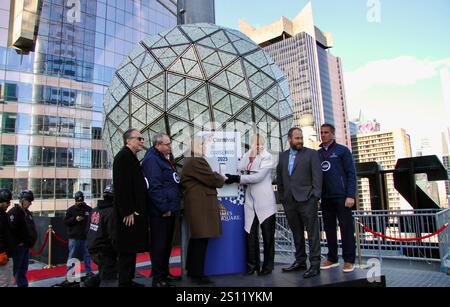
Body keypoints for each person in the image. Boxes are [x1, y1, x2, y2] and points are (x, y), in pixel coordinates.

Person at [225, 134, 277, 276]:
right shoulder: (250, 156)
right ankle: (252, 265)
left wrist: (237, 178)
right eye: (255, 144)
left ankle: (267, 266)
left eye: (260, 144)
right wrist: (250, 154)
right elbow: (240, 166)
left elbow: (258, 177)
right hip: (250, 201)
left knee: (267, 236)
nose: (258, 147)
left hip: (265, 202)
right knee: (250, 233)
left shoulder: (267, 157)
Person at [276, 127, 322, 278]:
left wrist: (315, 197)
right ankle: (300, 261)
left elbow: (317, 177)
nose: (300, 141)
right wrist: (282, 198)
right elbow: (280, 179)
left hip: (307, 200)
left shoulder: (311, 154)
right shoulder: (282, 156)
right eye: (297, 138)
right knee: (296, 233)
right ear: (289, 139)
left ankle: (315, 264)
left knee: (313, 233)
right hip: (289, 201)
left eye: (301, 138)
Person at [180, 136, 226, 285]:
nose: (204, 147)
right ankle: (198, 275)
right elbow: (212, 178)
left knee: (198, 239)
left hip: (198, 205)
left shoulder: (190, 160)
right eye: (201, 144)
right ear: (193, 146)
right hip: (200, 206)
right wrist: (222, 177)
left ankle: (194, 271)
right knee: (201, 239)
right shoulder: (196, 160)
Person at [142, 133, 181, 288]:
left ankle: (164, 273)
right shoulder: (152, 160)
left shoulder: (163, 158)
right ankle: (158, 278)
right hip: (161, 211)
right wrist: (164, 207)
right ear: (158, 145)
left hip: (170, 208)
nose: (170, 146)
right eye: (168, 144)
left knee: (166, 244)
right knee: (159, 244)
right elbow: (154, 186)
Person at [318, 124, 357, 273]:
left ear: (332, 134)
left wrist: (350, 195)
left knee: (346, 229)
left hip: (342, 197)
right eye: (321, 133)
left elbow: (351, 174)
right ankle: (332, 258)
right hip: (326, 197)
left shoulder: (342, 150)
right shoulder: (318, 154)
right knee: (329, 229)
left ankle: (348, 260)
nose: (323, 135)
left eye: (326, 132)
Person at [113, 128, 149, 287]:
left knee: (132, 245)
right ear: (128, 140)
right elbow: (121, 186)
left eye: (142, 139)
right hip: (129, 213)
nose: (142, 141)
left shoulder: (130, 157)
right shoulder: (123, 157)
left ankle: (128, 279)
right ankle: (125, 281)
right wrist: (127, 210)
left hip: (134, 211)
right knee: (127, 247)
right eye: (139, 138)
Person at [86, 184, 118, 287]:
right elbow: (113, 234)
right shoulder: (111, 212)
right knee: (109, 275)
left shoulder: (94, 210)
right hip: (103, 250)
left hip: (93, 246)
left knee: (105, 272)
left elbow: (88, 229)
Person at [8, 190, 37, 287]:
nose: (30, 203)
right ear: (23, 200)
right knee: (14, 270)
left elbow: (30, 228)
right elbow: (11, 230)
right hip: (18, 247)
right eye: (29, 201)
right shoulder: (14, 212)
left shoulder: (27, 213)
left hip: (26, 246)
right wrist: (17, 242)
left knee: (23, 270)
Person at [64, 191, 93, 278]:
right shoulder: (70, 210)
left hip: (85, 236)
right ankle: (70, 273)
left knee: (87, 255)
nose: (80, 202)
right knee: (72, 255)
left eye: (81, 200)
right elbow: (66, 222)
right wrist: (75, 219)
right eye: (78, 201)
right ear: (75, 200)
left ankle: (89, 271)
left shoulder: (89, 209)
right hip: (74, 237)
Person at [0, 189, 14, 287]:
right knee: (4, 282)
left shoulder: (4, 215)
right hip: (3, 256)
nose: (9, 204)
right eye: (8, 202)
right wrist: (1, 252)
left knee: (8, 281)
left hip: (7, 255)